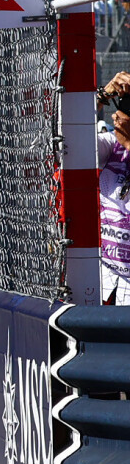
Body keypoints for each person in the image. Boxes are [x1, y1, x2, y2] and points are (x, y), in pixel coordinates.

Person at [100, 74, 130, 302]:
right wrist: (100, 97)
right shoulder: (112, 144)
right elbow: (68, 142)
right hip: (107, 281)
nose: (115, 117)